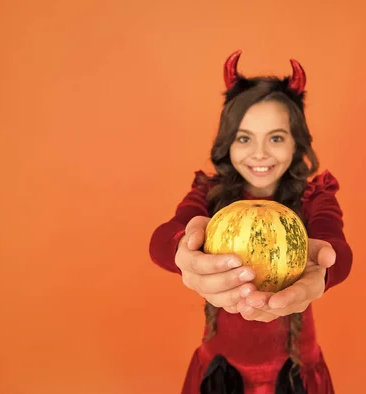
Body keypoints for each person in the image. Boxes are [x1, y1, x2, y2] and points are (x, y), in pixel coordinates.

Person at [149, 49, 353, 394]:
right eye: (244, 138)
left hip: (294, 370)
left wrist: (325, 267)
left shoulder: (313, 197)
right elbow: (163, 240)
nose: (259, 153)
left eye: (276, 137)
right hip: (222, 368)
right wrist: (184, 248)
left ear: (295, 143)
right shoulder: (209, 194)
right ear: (227, 143)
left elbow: (336, 248)